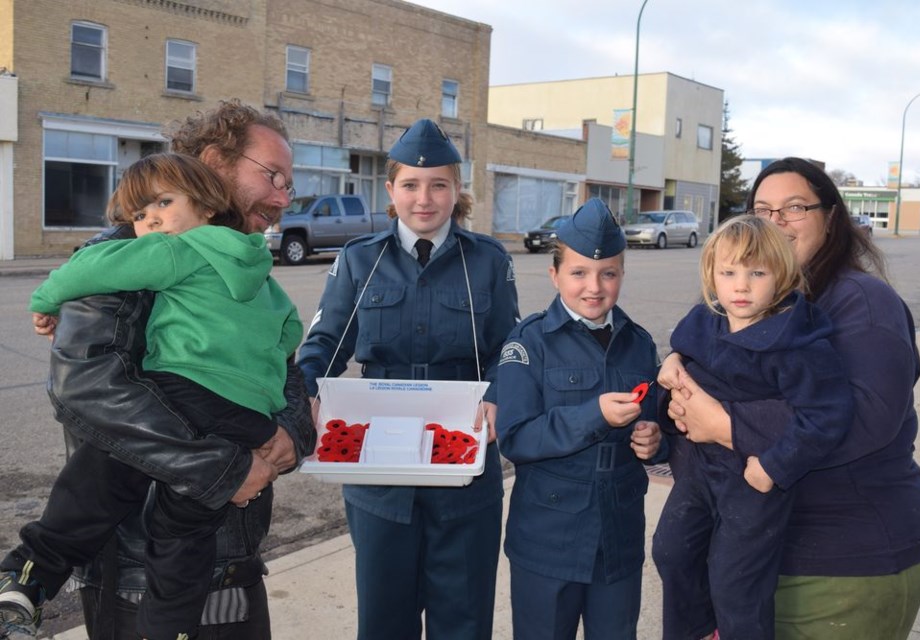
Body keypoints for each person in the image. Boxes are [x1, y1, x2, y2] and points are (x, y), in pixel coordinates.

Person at [24, 100, 316, 640]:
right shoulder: (124, 258)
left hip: (236, 558)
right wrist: (226, 470)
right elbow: (88, 389)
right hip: (140, 573)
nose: (281, 198)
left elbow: (285, 368)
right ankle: (24, 582)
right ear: (214, 160)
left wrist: (294, 432)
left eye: (288, 185)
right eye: (272, 175)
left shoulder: (247, 264)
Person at [658, 157, 920, 639]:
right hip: (761, 551)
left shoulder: (863, 302)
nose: (777, 221)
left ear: (831, 218)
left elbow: (866, 418)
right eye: (762, 209)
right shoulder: (753, 301)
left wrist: (725, 425)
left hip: (843, 563)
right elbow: (705, 376)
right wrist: (668, 396)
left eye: (795, 207)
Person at [296, 118, 520, 640]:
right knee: (384, 618)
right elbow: (325, 343)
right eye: (411, 185)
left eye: (439, 184)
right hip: (380, 472)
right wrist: (306, 392)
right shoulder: (360, 259)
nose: (425, 198)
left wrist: (500, 394)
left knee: (462, 617)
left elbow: (509, 350)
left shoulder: (486, 261)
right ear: (391, 188)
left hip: (462, 462)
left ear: (457, 190)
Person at [653, 214, 853, 639]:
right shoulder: (705, 321)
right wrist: (672, 362)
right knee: (671, 551)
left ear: (780, 275)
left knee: (735, 582)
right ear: (711, 276)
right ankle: (697, 630)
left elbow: (827, 414)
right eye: (728, 272)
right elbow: (682, 354)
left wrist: (775, 466)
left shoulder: (797, 342)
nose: (740, 286)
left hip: (752, 478)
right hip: (699, 472)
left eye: (756, 272)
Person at [494, 197, 666, 640]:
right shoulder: (529, 342)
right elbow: (515, 437)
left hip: (618, 539)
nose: (594, 286)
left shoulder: (640, 344)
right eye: (578, 273)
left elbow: (657, 423)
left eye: (608, 273)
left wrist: (655, 441)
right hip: (549, 540)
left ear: (622, 275)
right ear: (554, 275)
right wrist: (595, 415)